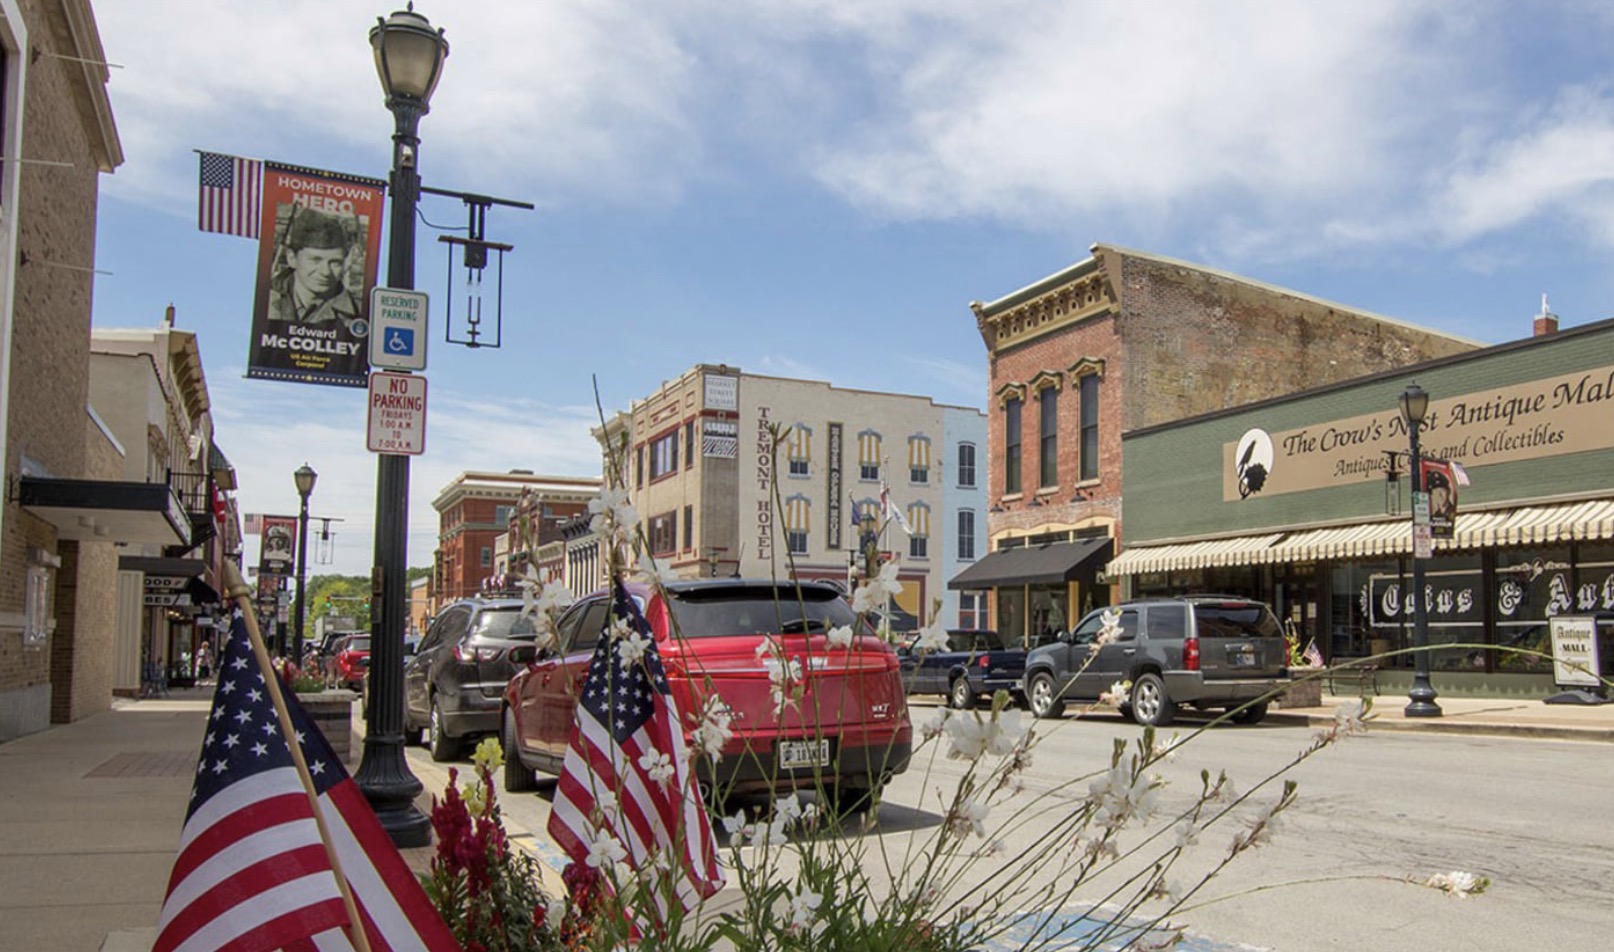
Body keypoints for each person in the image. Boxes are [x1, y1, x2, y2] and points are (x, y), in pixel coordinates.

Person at [266, 208, 368, 334]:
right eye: (315, 260)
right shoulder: (265, 301)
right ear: (292, 258)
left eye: (335, 262)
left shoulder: (359, 313)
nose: (325, 272)